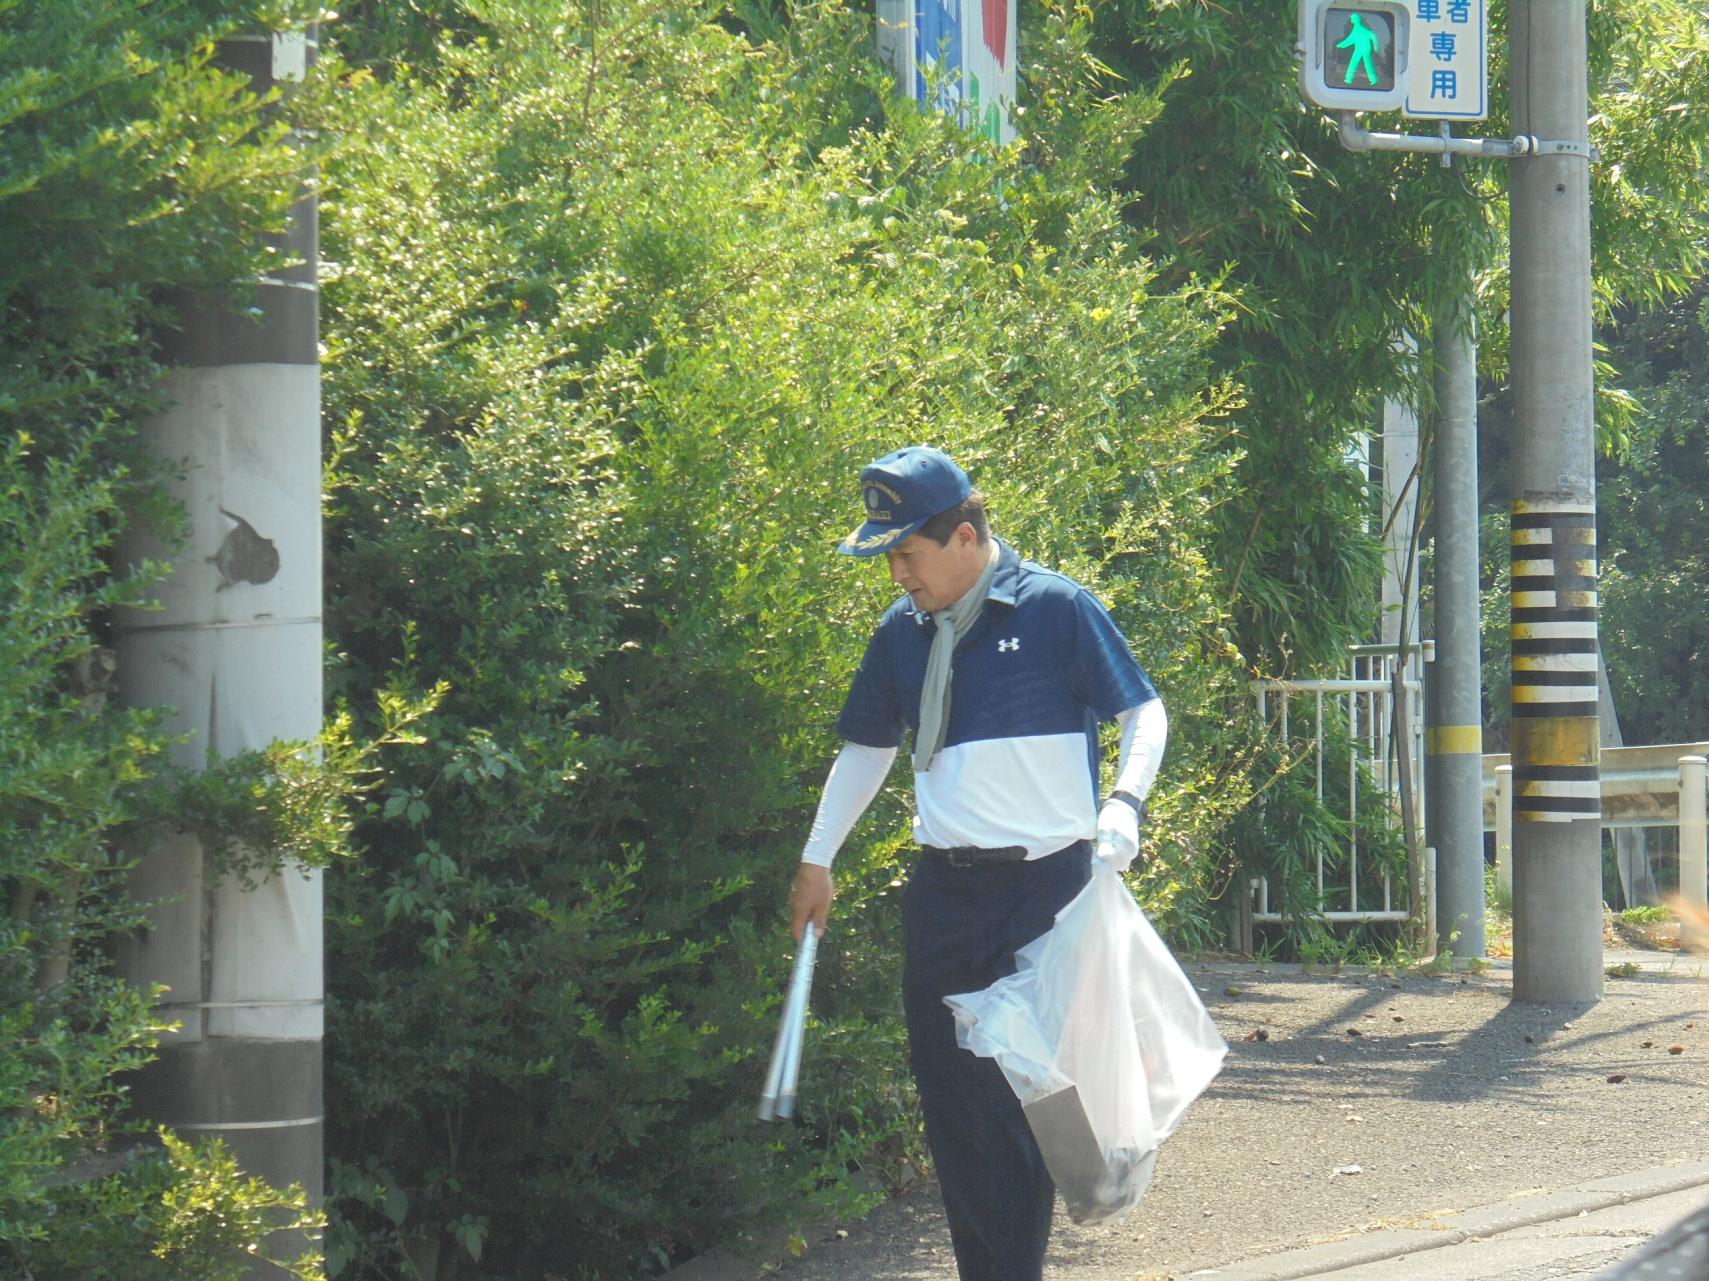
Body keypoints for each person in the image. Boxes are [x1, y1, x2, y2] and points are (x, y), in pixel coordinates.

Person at [788, 444, 1168, 1281]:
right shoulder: (903, 633)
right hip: (945, 898)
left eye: (904, 553)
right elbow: (866, 748)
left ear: (963, 536)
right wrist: (817, 857)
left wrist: (1124, 805)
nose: (895, 575)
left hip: (1047, 892)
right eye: (887, 556)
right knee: (955, 1106)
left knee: (1028, 1100)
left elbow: (1143, 711)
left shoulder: (1057, 609)